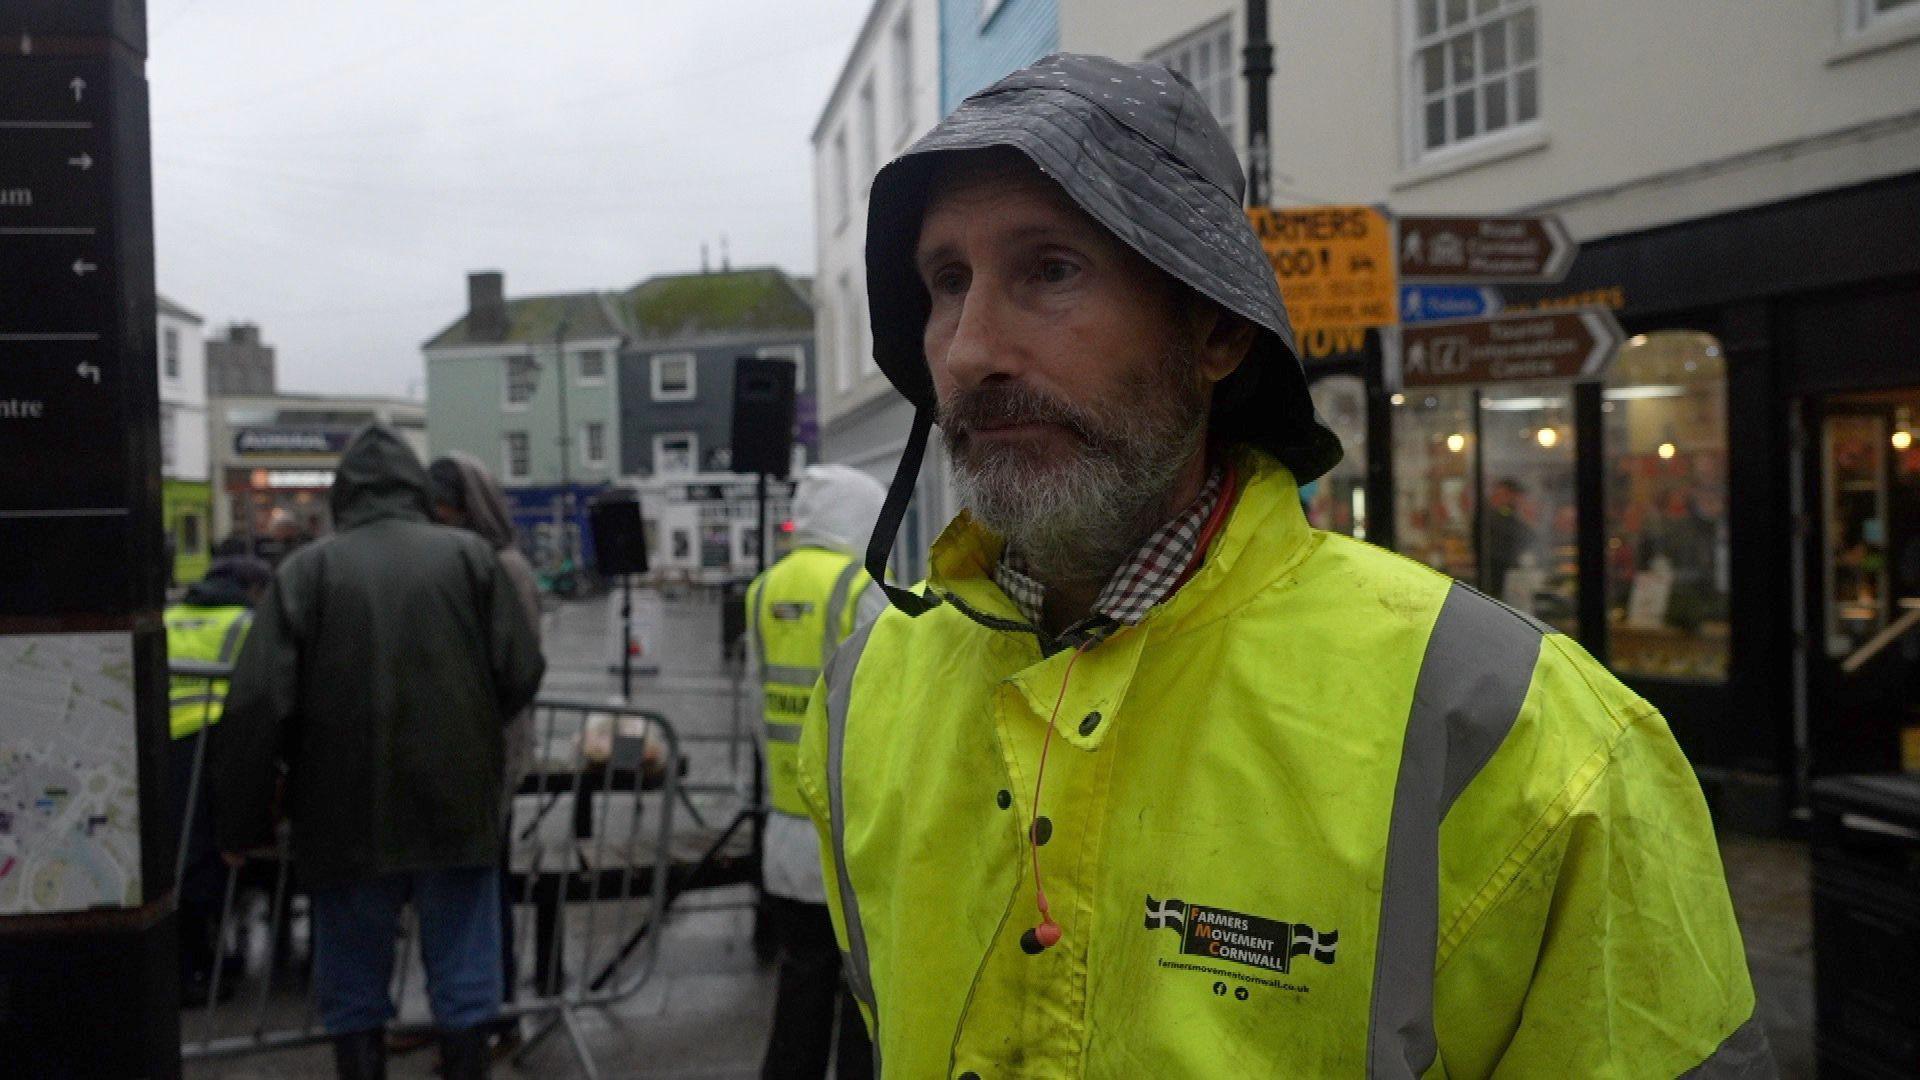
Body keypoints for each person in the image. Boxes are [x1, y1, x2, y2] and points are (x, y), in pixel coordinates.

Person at [794, 54, 1773, 1077]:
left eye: (1050, 269)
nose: (966, 350)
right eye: (946, 282)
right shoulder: (865, 691)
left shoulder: (1520, 729)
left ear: (1214, 328)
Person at [214, 426, 545, 1080]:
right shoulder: (471, 559)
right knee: (463, 975)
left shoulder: (307, 570)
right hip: (455, 804)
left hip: (343, 809)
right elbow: (521, 669)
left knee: (353, 985)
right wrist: (472, 730)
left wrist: (241, 822)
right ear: (415, 488)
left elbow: (257, 703)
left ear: (344, 493)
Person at [746, 465, 886, 1080]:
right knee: (864, 1002)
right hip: (851, 833)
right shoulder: (860, 589)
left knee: (799, 984)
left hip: (785, 826)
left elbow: (755, 703)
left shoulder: (763, 589)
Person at [427, 452, 543, 1057]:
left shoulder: (506, 567)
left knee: (485, 886)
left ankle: (496, 1013)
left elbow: (519, 666)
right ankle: (469, 1011)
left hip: (490, 750)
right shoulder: (452, 561)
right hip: (458, 749)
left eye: (446, 505)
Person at [165, 554, 274, 1005]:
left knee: (177, 858)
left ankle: (191, 963)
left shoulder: (170, 616)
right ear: (252, 589)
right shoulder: (248, 623)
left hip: (163, 741)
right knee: (208, 860)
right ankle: (198, 968)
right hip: (219, 742)